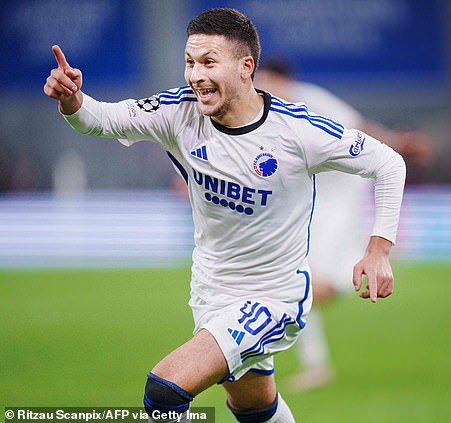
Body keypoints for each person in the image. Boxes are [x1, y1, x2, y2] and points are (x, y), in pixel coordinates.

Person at [43, 7, 406, 423]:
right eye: (190, 62)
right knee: (253, 405)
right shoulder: (178, 113)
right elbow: (101, 120)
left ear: (246, 67)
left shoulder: (298, 131)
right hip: (210, 293)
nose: (195, 74)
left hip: (274, 297)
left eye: (209, 62)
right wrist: (73, 100)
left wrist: (378, 249)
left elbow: (389, 163)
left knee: (165, 389)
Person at [255, 59, 432, 391]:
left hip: (340, 194)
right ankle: (315, 360)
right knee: (298, 282)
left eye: (268, 82)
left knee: (305, 285)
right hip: (314, 197)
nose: (265, 90)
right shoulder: (266, 110)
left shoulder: (311, 100)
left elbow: (357, 128)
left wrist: (396, 141)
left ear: (284, 80)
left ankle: (343, 278)